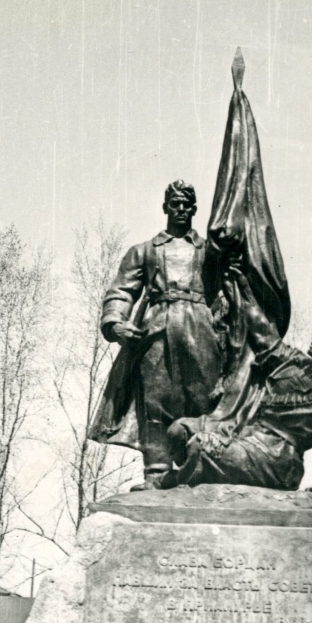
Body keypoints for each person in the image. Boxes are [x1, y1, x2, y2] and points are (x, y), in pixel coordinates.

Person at [164, 268, 312, 500]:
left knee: (202, 447)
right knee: (179, 431)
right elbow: (263, 333)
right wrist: (246, 290)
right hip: (245, 431)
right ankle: (192, 477)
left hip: (277, 458)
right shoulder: (295, 363)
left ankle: (178, 484)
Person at [88, 180, 223, 490]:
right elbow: (121, 291)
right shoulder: (144, 251)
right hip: (157, 329)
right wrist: (115, 323)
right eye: (175, 203)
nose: (181, 209)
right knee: (155, 401)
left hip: (200, 329)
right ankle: (157, 473)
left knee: (204, 400)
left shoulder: (210, 252)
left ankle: (204, 470)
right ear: (165, 207)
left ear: (194, 209)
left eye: (187, 204)